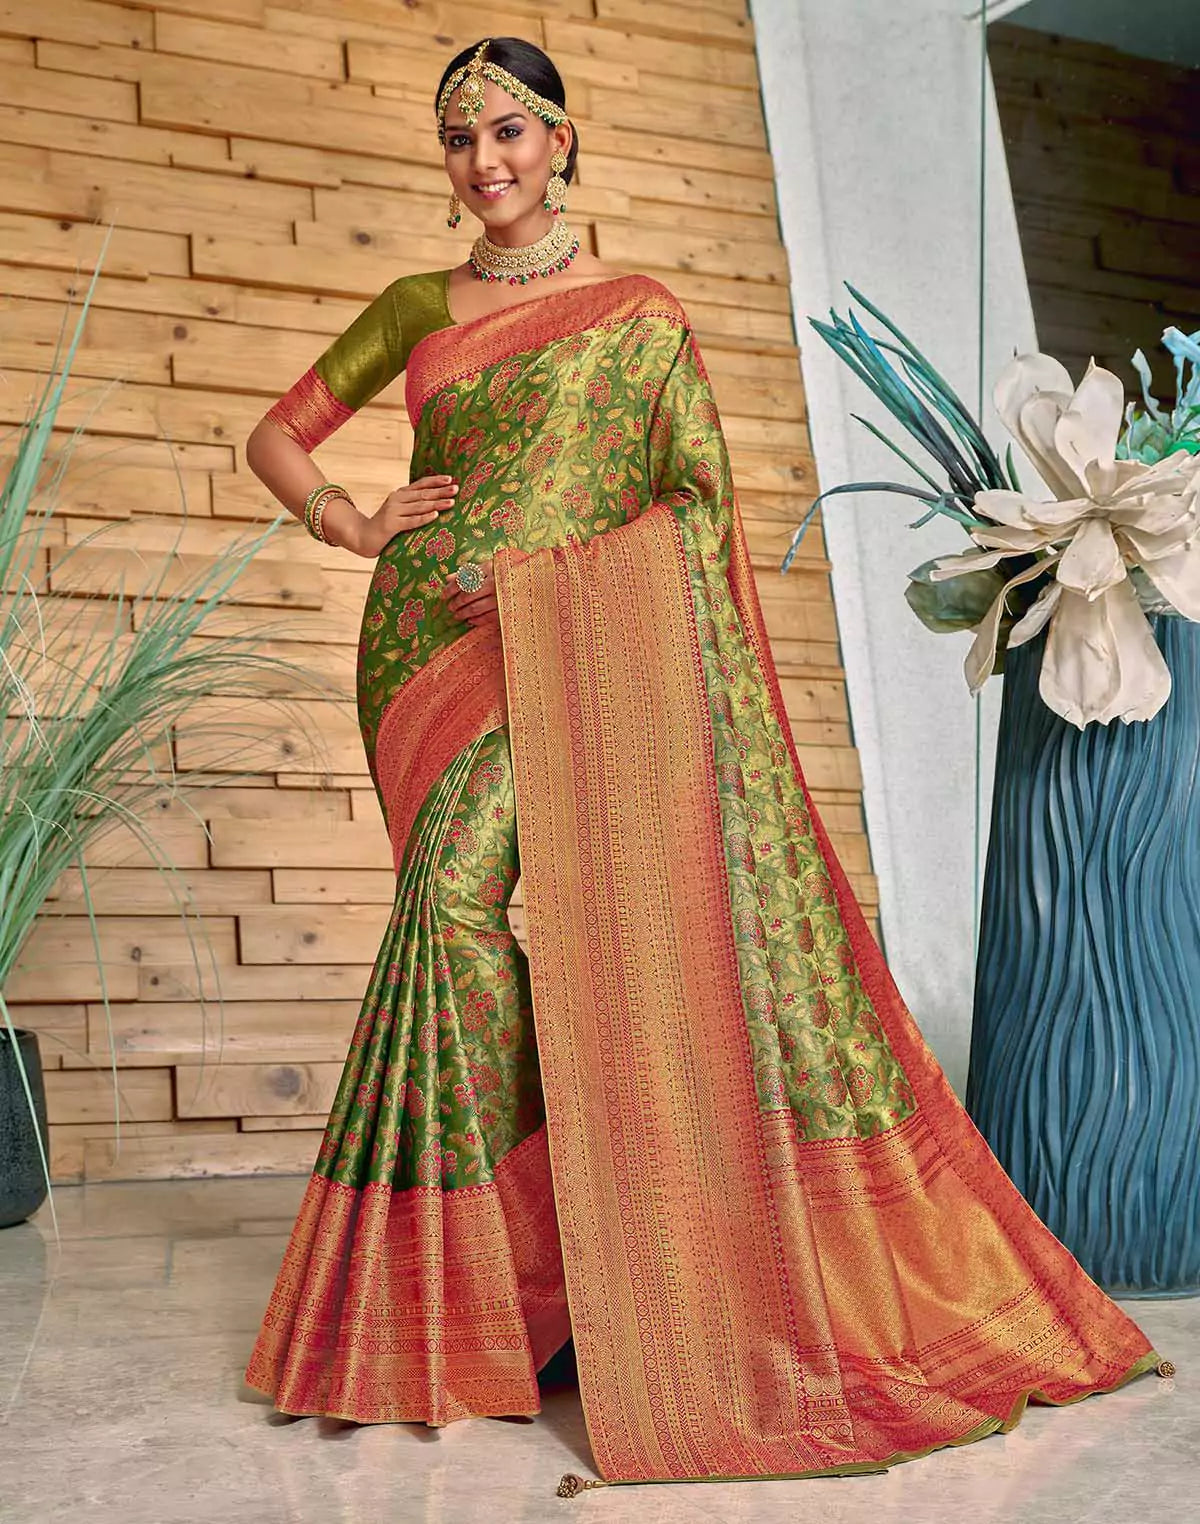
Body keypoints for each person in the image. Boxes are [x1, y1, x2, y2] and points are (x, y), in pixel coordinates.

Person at [241, 34, 1166, 1494]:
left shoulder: (642, 316)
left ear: (560, 141)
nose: (484, 162)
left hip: (559, 644)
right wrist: (354, 524)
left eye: (507, 131)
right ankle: (510, 1289)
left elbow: (694, 506)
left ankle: (535, 1272)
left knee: (479, 916)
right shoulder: (416, 306)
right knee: (451, 921)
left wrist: (544, 582)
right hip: (421, 658)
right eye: (460, 138)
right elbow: (279, 435)